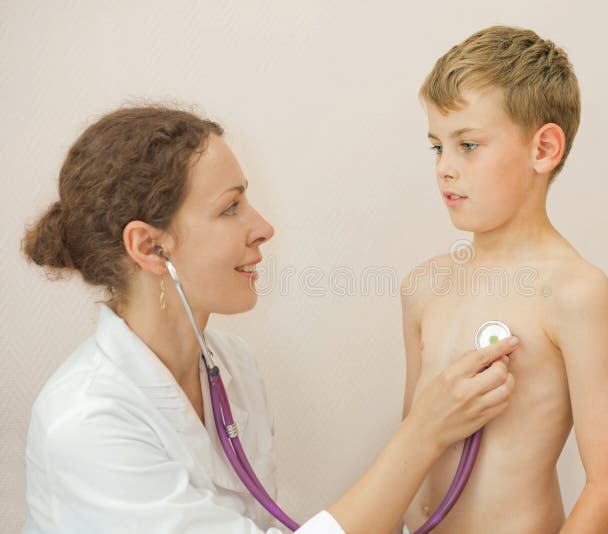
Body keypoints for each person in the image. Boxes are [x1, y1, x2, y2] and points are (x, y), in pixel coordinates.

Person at [20, 106, 518, 534]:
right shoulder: (86, 424)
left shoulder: (231, 366)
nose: (263, 227)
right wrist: (424, 432)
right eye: (230, 207)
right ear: (150, 247)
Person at [399, 26, 608, 533]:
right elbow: (410, 446)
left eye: (467, 144)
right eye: (436, 147)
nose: (444, 168)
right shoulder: (424, 288)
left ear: (543, 149)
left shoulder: (575, 292)